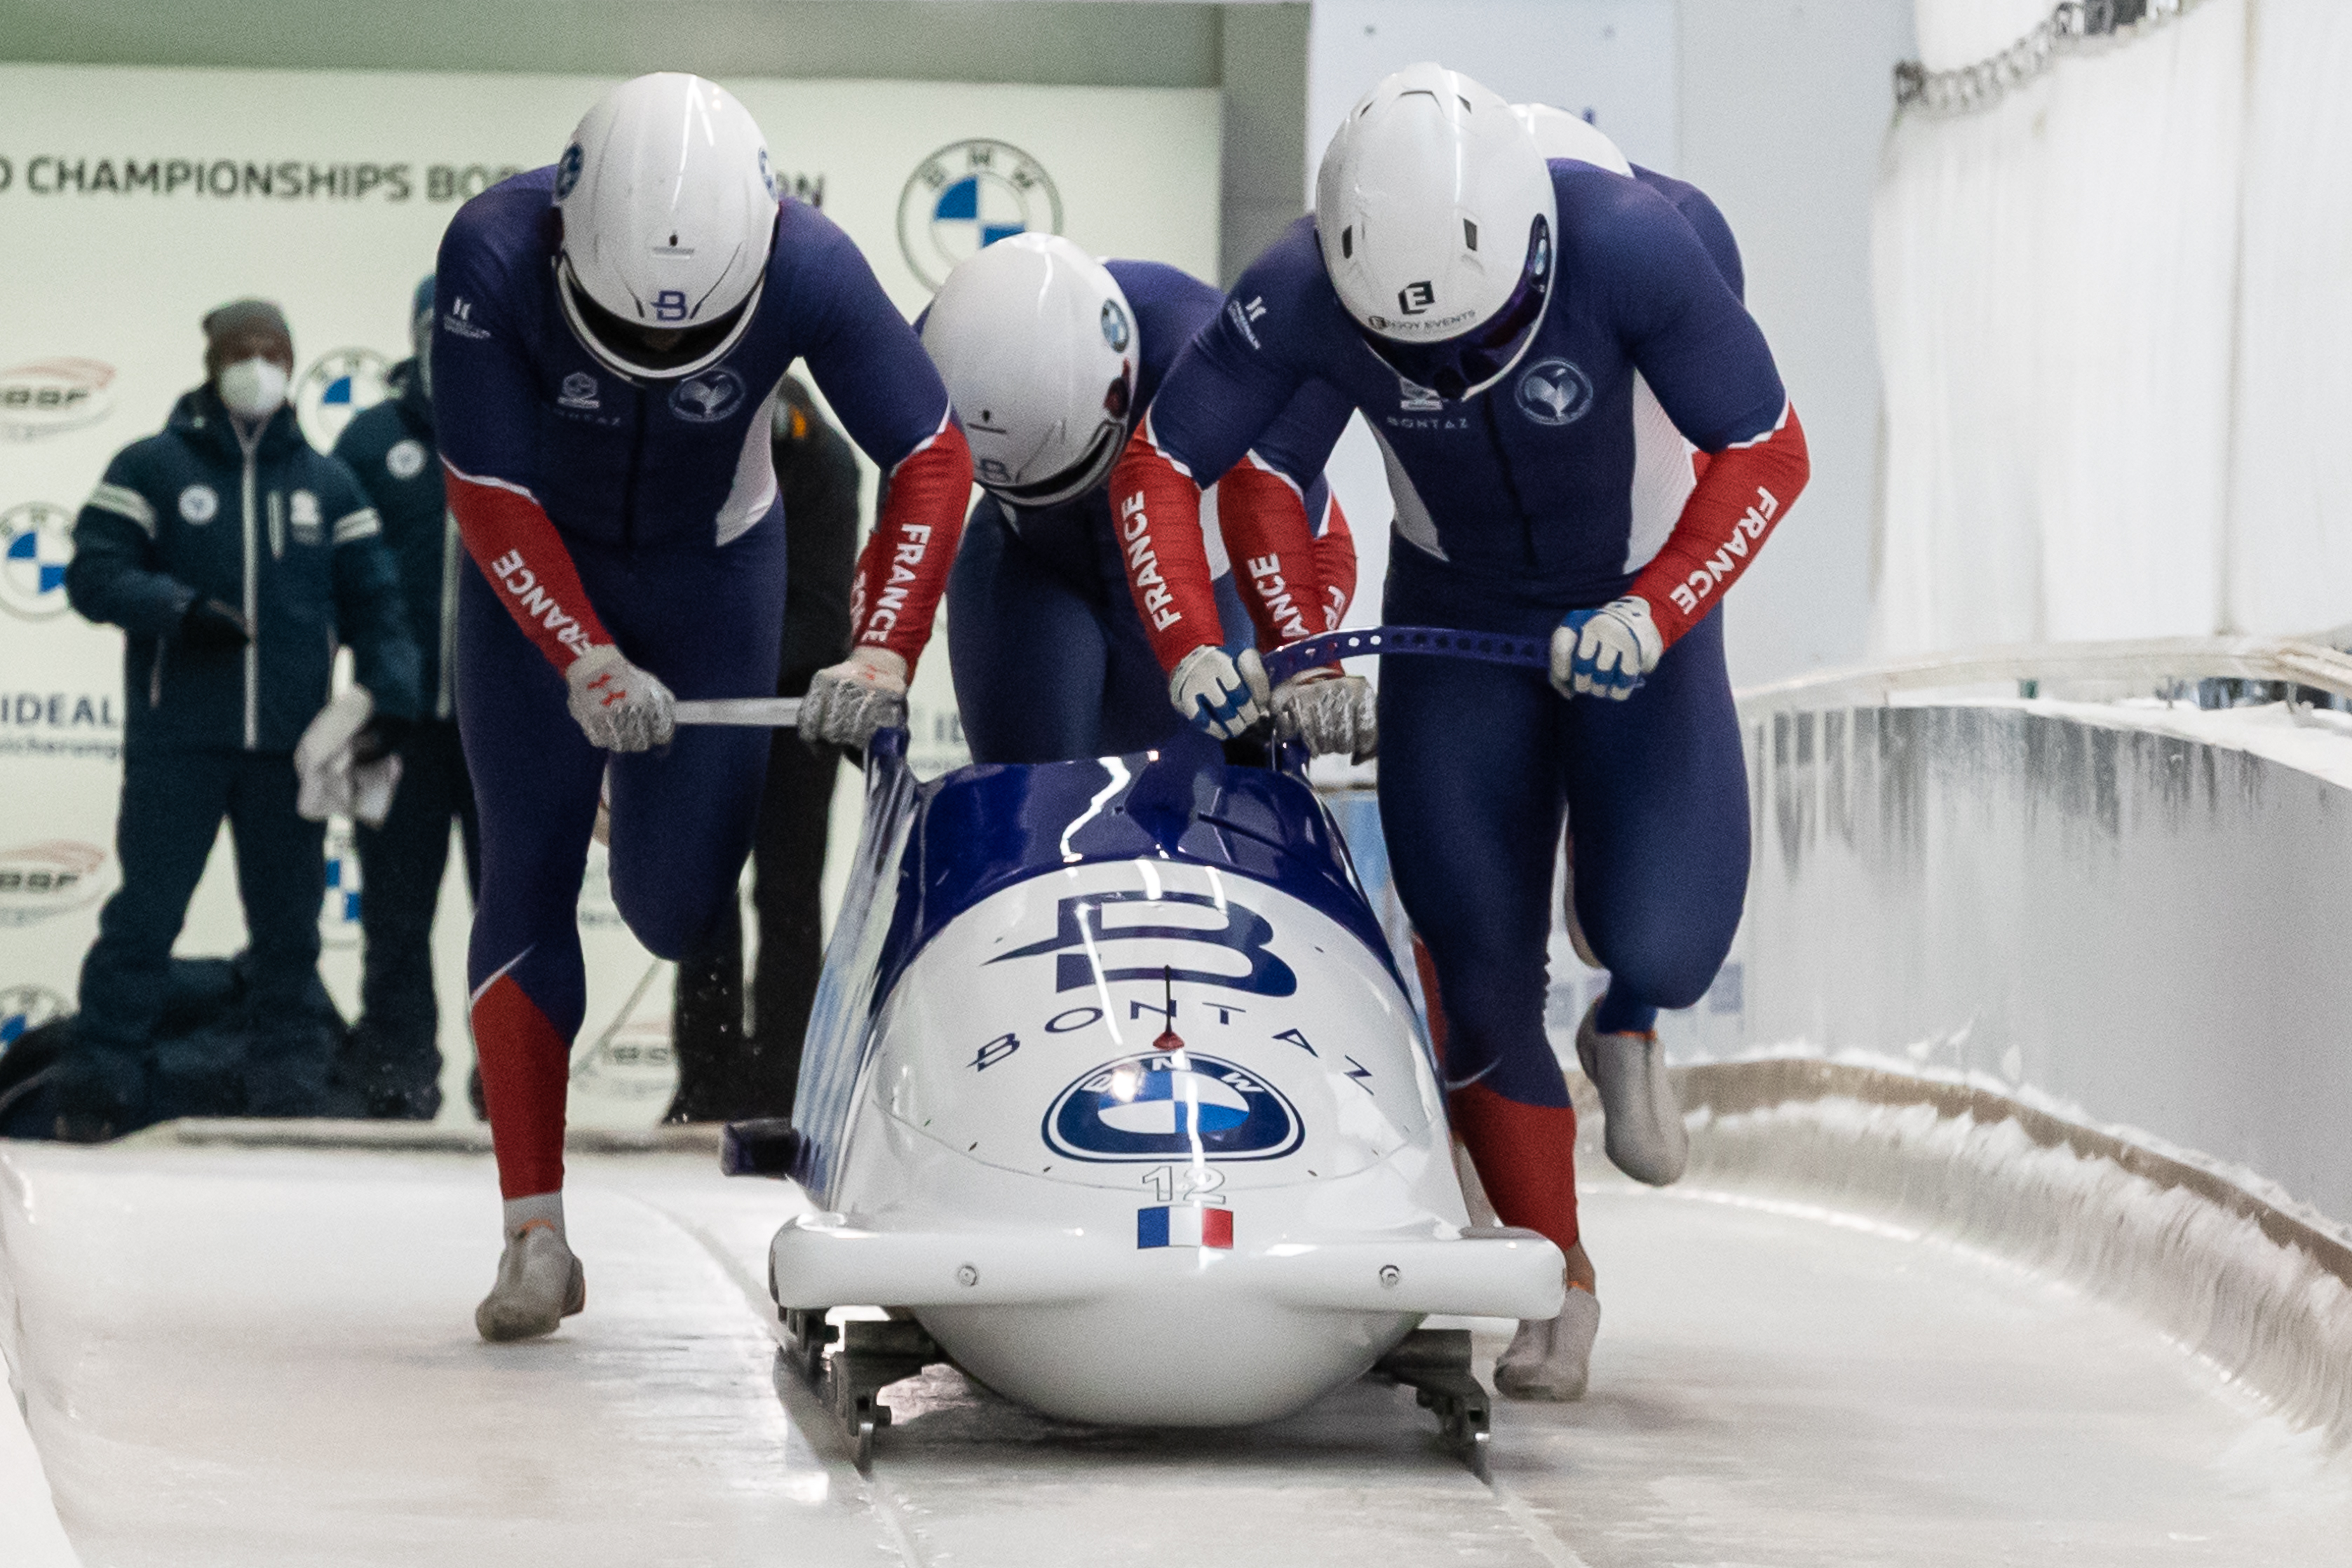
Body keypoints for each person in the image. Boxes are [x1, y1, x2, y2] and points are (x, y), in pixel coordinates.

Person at [1107, 65, 1809, 1400]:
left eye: (1477, 347)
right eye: (1415, 360)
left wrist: (1654, 614)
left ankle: (1636, 1013)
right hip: (1454, 626)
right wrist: (1199, 642)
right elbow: (1176, 463)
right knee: (1472, 951)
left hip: (1632, 619)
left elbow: (1767, 451)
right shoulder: (1307, 286)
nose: (1451, 376)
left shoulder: (1641, 248)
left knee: (1662, 925)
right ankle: (1556, 1271)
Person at [434, 74, 972, 1341]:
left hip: (712, 568)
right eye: (638, 334)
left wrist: (884, 645)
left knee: (678, 909)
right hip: (537, 565)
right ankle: (533, 1232)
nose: (667, 354)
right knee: (524, 862)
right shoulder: (491, 253)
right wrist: (581, 655)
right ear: (569, 240)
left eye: (695, 339)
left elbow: (932, 453)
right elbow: (486, 484)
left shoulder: (810, 263)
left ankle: (637, 807)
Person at [60, 299, 424, 1140]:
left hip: (288, 753)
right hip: (176, 745)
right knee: (143, 920)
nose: (257, 364)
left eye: (272, 350)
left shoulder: (330, 485)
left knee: (289, 934)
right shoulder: (153, 467)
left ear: (292, 364)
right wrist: (179, 609)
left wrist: (391, 702)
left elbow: (380, 608)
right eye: (242, 350)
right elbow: (92, 572)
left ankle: (289, 1096)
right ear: (214, 360)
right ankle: (97, 1090)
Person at [920, 233, 1365, 764]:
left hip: (1207, 570)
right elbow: (914, 498)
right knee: (1030, 797)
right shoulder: (937, 347)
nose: (1069, 489)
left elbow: (1311, 528)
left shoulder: (1212, 352)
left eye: (1085, 467)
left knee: (1205, 790)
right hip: (1034, 560)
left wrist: (1300, 657)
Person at [665, 375, 862, 1123]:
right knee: (704, 895)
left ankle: (785, 1079)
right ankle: (706, 1074)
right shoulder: (697, 453)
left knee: (787, 896)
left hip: (795, 715)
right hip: (713, 714)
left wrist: (732, 673)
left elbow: (819, 607)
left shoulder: (824, 463)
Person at [332, 274, 478, 1120]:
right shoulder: (368, 440)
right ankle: (395, 1077)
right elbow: (332, 583)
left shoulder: (528, 432)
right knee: (393, 915)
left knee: (516, 921)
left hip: (507, 737)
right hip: (399, 728)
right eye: (436, 329)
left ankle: (514, 1085)